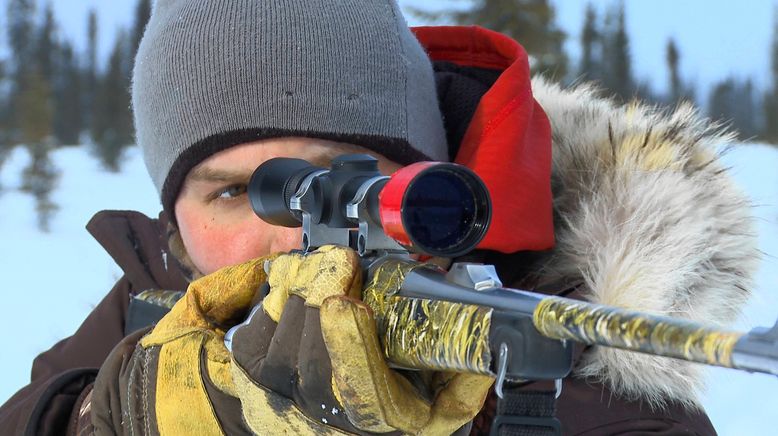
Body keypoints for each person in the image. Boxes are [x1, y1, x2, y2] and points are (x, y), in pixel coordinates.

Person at [0, 0, 758, 434]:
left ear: (435, 185)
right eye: (235, 192)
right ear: (174, 223)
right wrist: (112, 414)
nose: (297, 236)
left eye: (346, 178)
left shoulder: (585, 379)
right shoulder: (156, 310)